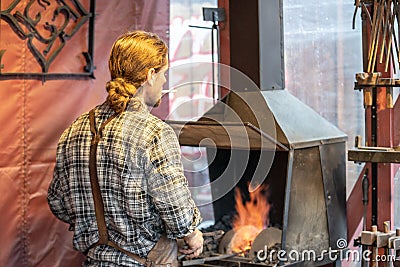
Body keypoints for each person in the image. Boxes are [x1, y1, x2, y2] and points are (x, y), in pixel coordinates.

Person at [48, 30, 203, 266]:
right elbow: (177, 211)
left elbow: (58, 201)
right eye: (164, 74)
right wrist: (192, 235)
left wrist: (99, 223)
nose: (164, 81)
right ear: (151, 75)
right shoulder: (155, 133)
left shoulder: (75, 130)